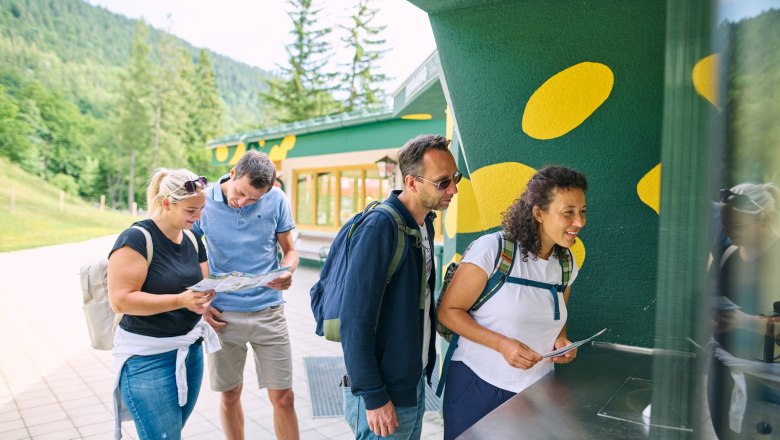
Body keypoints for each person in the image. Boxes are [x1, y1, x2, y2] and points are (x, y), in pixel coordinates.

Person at [437, 166, 588, 439]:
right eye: (569, 212)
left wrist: (561, 342)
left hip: (537, 391)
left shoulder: (566, 264)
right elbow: (448, 312)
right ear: (539, 213)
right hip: (478, 385)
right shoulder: (492, 249)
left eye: (582, 211)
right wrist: (502, 345)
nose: (579, 221)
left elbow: (558, 321)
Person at [340, 134, 458, 439]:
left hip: (411, 382)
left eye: (454, 178)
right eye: (443, 182)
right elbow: (354, 322)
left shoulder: (424, 222)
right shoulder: (381, 227)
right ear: (412, 182)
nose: (453, 189)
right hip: (383, 391)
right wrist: (374, 396)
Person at [193, 150, 300, 440]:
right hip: (222, 316)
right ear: (233, 172)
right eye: (241, 193)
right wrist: (201, 304)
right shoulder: (204, 202)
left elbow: (290, 251)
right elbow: (188, 253)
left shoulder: (276, 200)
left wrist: (287, 271)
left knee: (285, 397)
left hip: (269, 311)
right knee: (230, 395)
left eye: (254, 200)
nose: (243, 203)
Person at [108, 168, 219, 440]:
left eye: (201, 209)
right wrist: (181, 300)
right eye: (191, 210)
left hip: (189, 351)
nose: (198, 217)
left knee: (171, 433)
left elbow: (202, 285)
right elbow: (120, 300)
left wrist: (204, 299)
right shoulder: (135, 239)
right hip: (147, 359)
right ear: (167, 203)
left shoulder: (193, 238)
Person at [707, 183, 780, 438]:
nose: (727, 231)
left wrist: (744, 321)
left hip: (767, 379)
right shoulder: (728, 252)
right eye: (724, 223)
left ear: (763, 220)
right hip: (724, 368)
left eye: (736, 225)